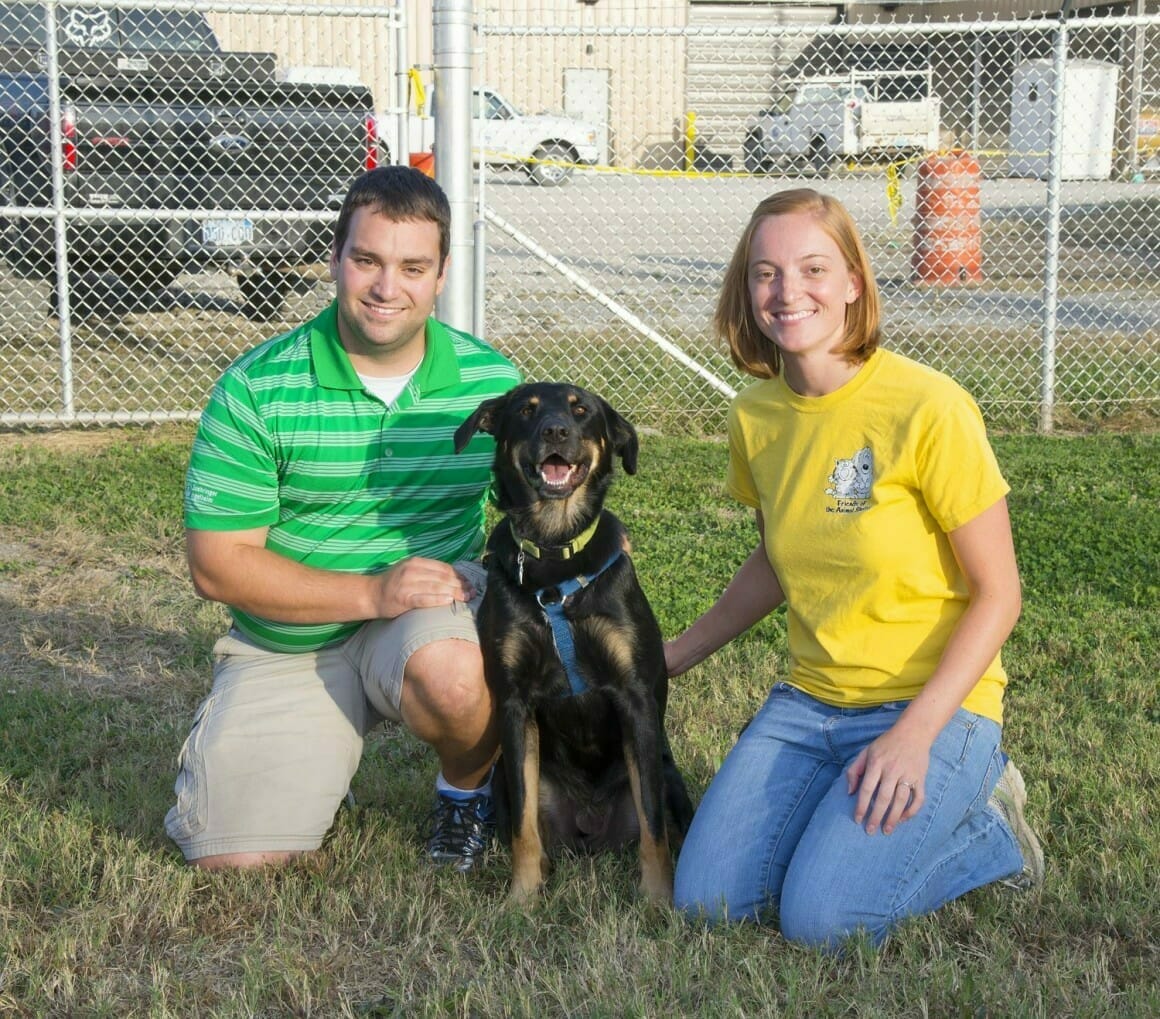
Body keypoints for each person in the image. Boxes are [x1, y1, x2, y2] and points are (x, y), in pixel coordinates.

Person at [666, 188, 1044, 950]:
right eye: (765, 273)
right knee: (706, 902)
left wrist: (914, 735)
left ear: (853, 283)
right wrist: (667, 657)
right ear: (746, 289)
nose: (787, 291)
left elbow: (1000, 593)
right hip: (809, 705)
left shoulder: (927, 406)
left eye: (812, 268)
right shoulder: (757, 416)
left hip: (933, 707)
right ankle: (843, 819)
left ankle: (989, 828)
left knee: (825, 919)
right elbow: (777, 561)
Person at [165, 165, 521, 872]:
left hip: (428, 617)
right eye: (367, 260)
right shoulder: (257, 386)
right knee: (236, 859)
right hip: (289, 638)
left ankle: (464, 795)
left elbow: (535, 505)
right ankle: (315, 754)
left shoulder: (492, 384)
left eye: (413, 266)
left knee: (456, 674)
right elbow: (216, 565)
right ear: (334, 259)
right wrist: (370, 592)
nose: (388, 288)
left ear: (443, 272)